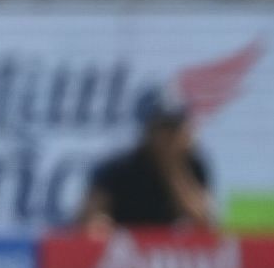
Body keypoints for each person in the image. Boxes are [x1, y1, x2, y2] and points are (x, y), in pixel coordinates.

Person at [77, 92, 215, 233]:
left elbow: (203, 220)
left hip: (172, 251)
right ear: (149, 131)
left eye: (174, 129)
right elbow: (89, 219)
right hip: (125, 248)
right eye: (163, 129)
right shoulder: (119, 168)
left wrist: (173, 168)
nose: (169, 137)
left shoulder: (194, 166)